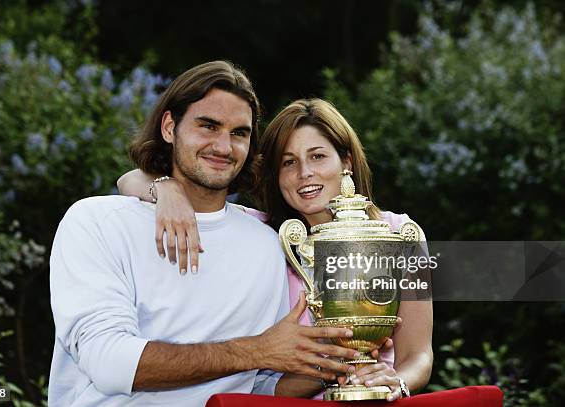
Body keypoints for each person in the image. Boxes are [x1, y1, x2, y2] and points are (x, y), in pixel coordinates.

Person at [48, 62, 361, 407]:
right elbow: (109, 363)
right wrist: (259, 351)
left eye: (239, 133)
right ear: (169, 127)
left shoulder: (266, 244)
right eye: (208, 126)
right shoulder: (97, 222)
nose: (223, 146)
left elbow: (257, 388)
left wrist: (338, 361)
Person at [118, 98, 434, 401]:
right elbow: (128, 180)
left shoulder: (399, 234)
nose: (304, 173)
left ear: (346, 161)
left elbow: (417, 355)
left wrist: (396, 381)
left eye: (318, 156)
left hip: (377, 399)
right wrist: (167, 188)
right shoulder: (260, 234)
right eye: (288, 162)